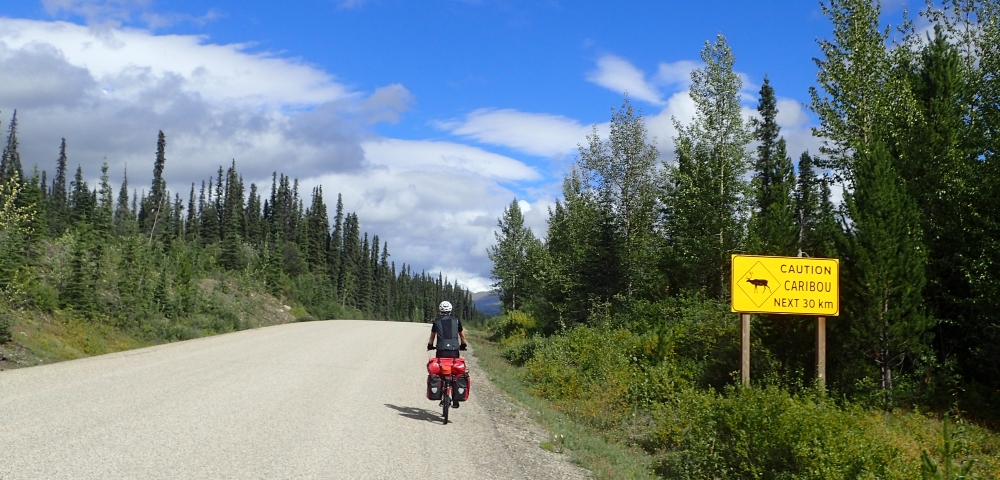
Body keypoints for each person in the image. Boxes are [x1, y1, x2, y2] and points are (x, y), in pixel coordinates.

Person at [427, 300, 467, 408]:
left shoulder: (436, 321)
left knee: (440, 371)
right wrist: (463, 345)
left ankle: (441, 395)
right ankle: (455, 398)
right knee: (455, 373)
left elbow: (432, 337)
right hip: (454, 351)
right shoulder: (456, 321)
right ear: (450, 310)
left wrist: (430, 345)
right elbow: (462, 336)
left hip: (441, 350)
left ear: (440, 310)